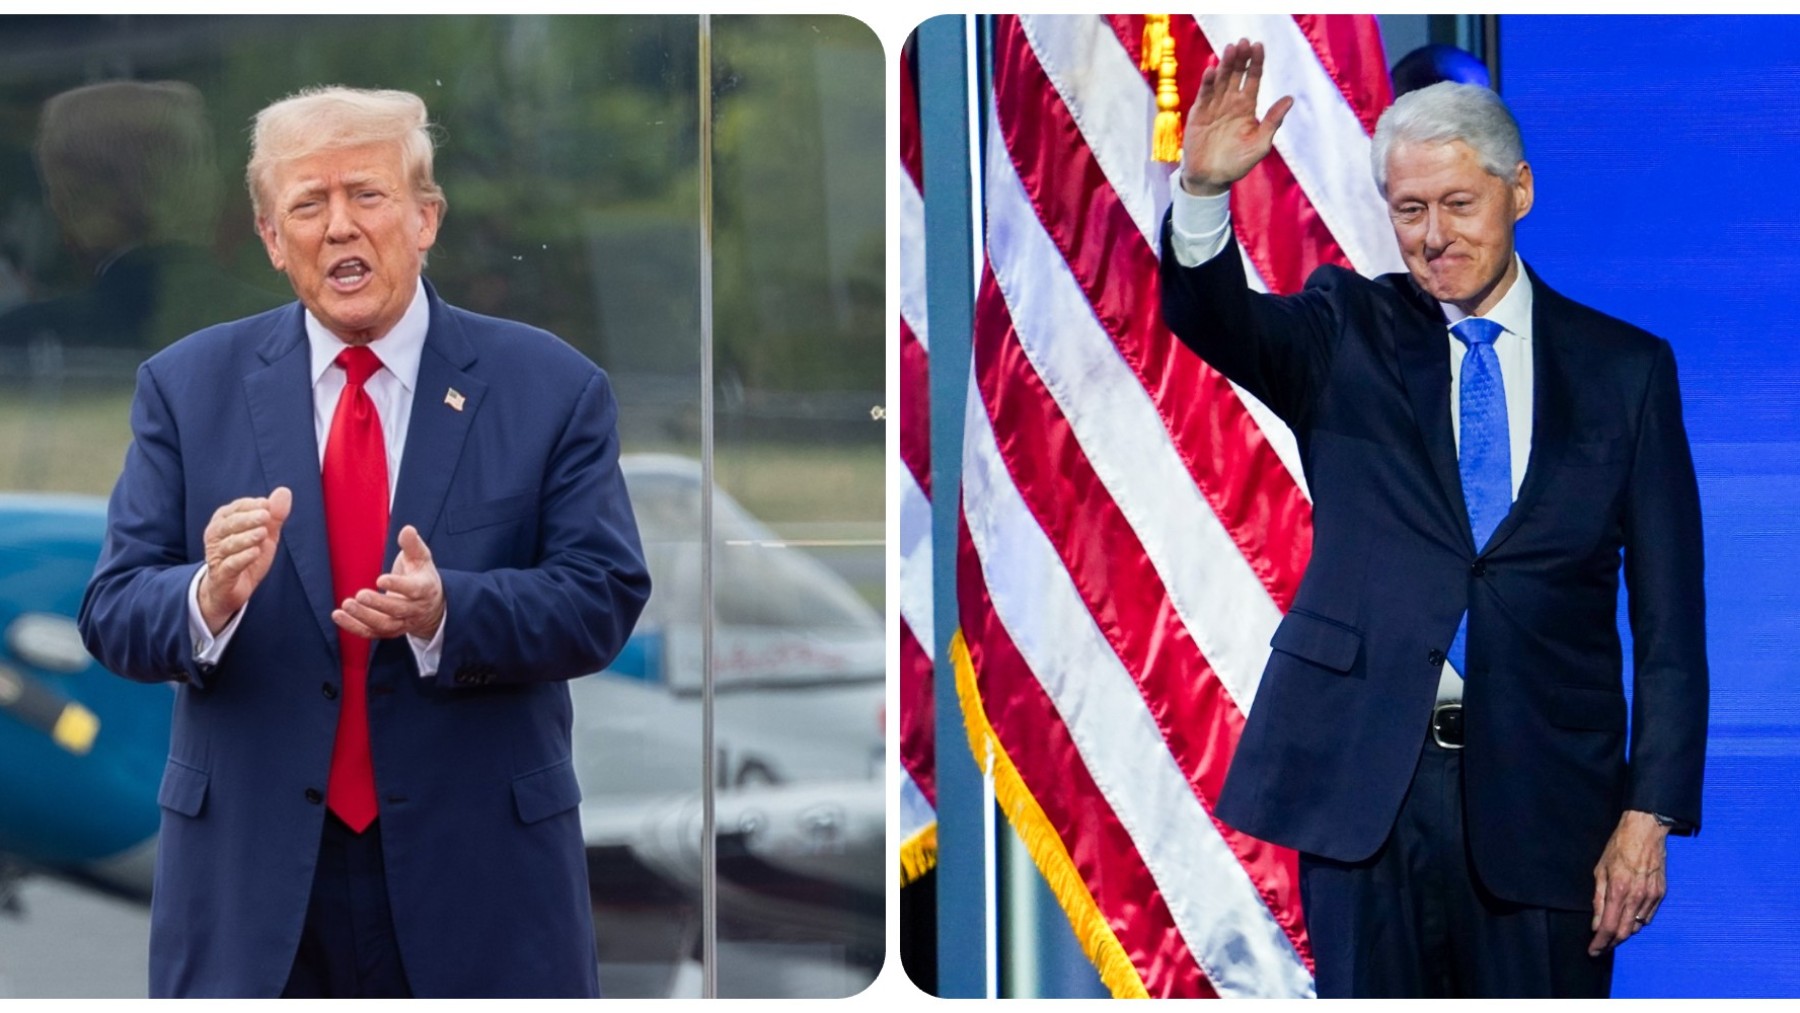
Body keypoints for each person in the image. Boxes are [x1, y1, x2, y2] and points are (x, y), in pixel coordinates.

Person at [77, 85, 651, 998]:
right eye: (309, 203)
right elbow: (111, 609)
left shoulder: (550, 386)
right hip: (253, 892)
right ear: (272, 238)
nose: (340, 226)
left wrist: (449, 609)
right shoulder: (186, 387)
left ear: (425, 219)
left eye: (368, 195)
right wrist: (205, 597)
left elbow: (602, 596)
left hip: (479, 882)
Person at [1160, 41, 1706, 998]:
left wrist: (1649, 811)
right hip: (1371, 790)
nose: (1434, 236)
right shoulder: (1344, 330)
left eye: (1459, 204)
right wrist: (1203, 194)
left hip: (1548, 799)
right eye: (1410, 211)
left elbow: (1670, 626)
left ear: (1519, 192)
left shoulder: (1628, 371)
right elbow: (1216, 317)